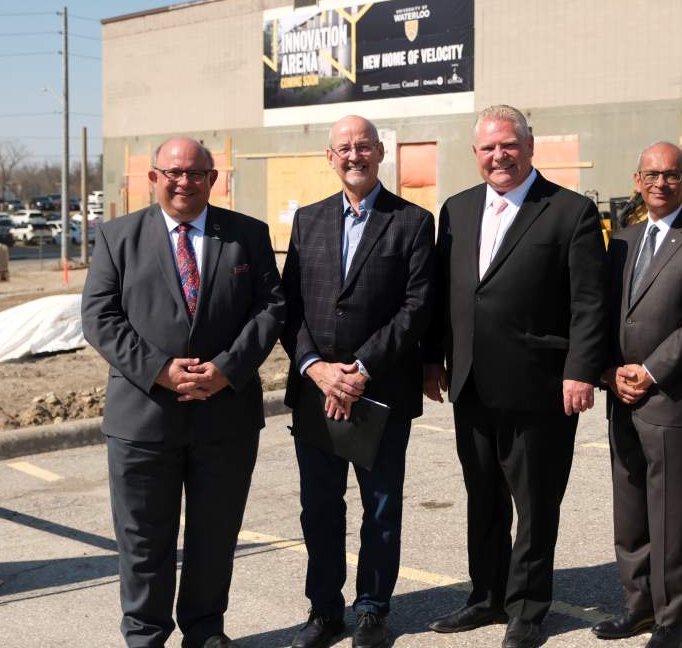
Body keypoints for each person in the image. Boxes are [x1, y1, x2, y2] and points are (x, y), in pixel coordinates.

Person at [82, 137, 285, 648]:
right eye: (173, 172)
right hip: (144, 419)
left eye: (196, 173)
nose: (184, 182)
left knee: (214, 538)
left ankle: (205, 630)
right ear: (153, 178)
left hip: (226, 417)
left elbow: (271, 309)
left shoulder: (247, 235)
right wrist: (159, 371)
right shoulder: (117, 237)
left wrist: (225, 369)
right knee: (144, 541)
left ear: (212, 179)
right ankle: (145, 635)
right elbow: (99, 317)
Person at [423, 104, 607, 648]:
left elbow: (589, 303)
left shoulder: (570, 211)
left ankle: (527, 609)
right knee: (482, 497)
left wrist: (581, 372)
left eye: (508, 145)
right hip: (472, 383)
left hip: (540, 386)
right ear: (476, 154)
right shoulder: (456, 210)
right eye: (488, 148)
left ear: (530, 147)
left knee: (534, 502)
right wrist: (433, 358)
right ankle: (486, 596)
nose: (498, 156)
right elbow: (444, 295)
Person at [280, 115, 435, 648]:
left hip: (380, 391)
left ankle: (372, 608)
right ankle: (325, 611)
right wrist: (317, 369)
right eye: (344, 148)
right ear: (330, 157)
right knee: (319, 509)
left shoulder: (413, 221)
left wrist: (361, 368)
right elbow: (289, 307)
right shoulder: (307, 220)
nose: (354, 155)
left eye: (363, 146)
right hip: (315, 393)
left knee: (382, 507)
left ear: (380, 153)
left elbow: (417, 307)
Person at [594, 142, 682, 648]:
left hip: (671, 398)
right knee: (629, 510)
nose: (660, 183)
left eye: (671, 175)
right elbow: (605, 313)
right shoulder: (622, 241)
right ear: (636, 180)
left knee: (670, 515)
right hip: (619, 394)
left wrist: (648, 372)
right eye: (651, 174)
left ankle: (673, 622)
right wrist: (608, 372)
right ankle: (637, 609)